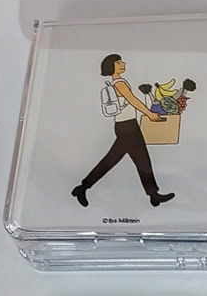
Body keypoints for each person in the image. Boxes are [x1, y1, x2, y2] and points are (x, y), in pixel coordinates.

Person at [72, 54, 175, 207]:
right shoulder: (119, 83)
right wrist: (149, 114)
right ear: (112, 66)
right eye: (119, 62)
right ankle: (153, 195)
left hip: (125, 125)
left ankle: (82, 187)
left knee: (111, 160)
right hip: (127, 126)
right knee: (142, 160)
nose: (123, 63)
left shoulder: (117, 82)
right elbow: (132, 100)